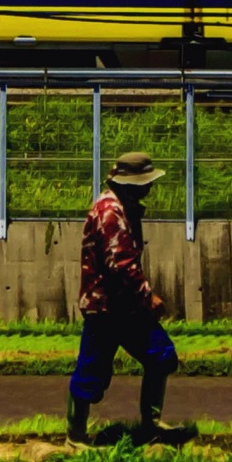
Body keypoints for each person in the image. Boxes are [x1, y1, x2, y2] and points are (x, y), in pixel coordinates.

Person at [68, 150, 195, 446]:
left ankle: (150, 425)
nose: (150, 187)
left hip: (125, 306)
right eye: (146, 182)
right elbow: (120, 263)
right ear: (131, 184)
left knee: (161, 356)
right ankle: (75, 435)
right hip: (106, 307)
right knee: (91, 373)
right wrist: (147, 296)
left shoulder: (123, 206)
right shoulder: (111, 212)